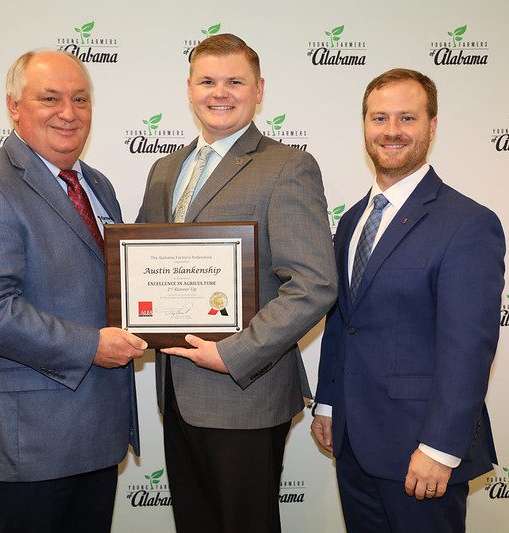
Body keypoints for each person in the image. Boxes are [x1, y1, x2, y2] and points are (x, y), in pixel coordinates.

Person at [0, 50, 147, 533]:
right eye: (49, 98)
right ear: (14, 106)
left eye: (80, 99)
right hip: (32, 438)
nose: (68, 113)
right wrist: (92, 345)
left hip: (98, 429)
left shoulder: (97, 185)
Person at [136, 34, 337, 532]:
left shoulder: (288, 166)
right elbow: (140, 263)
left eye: (234, 81)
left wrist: (234, 353)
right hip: (177, 391)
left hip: (244, 392)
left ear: (259, 89)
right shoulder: (165, 170)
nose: (219, 92)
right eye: (207, 81)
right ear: (189, 88)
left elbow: (313, 283)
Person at [311, 68, 505, 532]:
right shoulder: (353, 220)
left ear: (432, 126)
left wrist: (440, 449)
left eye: (407, 118)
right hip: (354, 443)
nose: (391, 131)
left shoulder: (468, 223)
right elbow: (344, 322)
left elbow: (467, 349)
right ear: (364, 126)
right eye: (379, 118)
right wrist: (329, 405)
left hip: (421, 452)